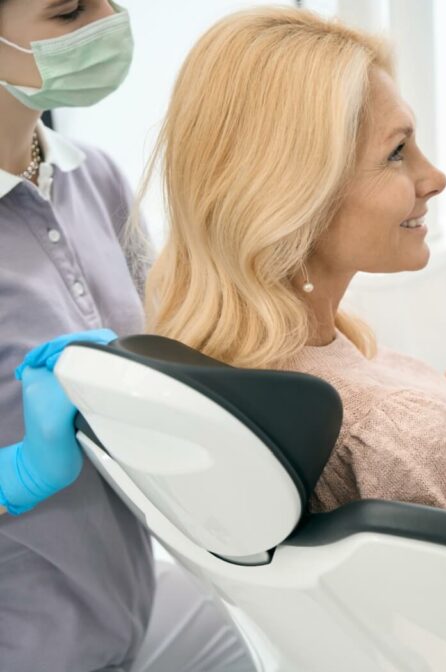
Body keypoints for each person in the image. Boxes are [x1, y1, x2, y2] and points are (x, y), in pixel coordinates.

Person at [130, 8, 446, 554]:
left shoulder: (258, 352)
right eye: (396, 152)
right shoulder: (393, 436)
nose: (434, 178)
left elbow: (434, 427)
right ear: (295, 196)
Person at [0, 1, 253, 669]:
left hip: (122, 611)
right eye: (69, 10)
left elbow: (169, 332)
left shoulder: (96, 178)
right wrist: (18, 474)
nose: (108, 22)